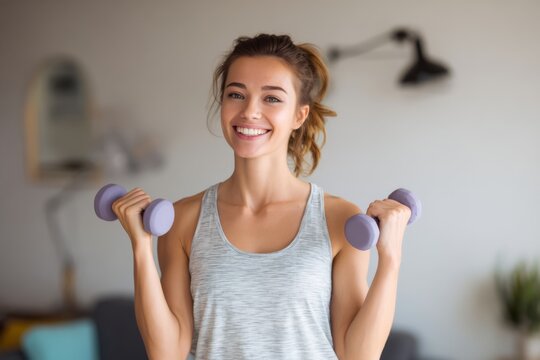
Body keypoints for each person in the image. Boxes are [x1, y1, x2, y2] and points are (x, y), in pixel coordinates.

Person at [112, 33, 411, 360]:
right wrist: (141, 248)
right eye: (236, 94)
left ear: (299, 115)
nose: (249, 112)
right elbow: (166, 354)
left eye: (271, 98)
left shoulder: (339, 219)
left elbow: (358, 355)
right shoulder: (184, 219)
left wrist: (390, 261)